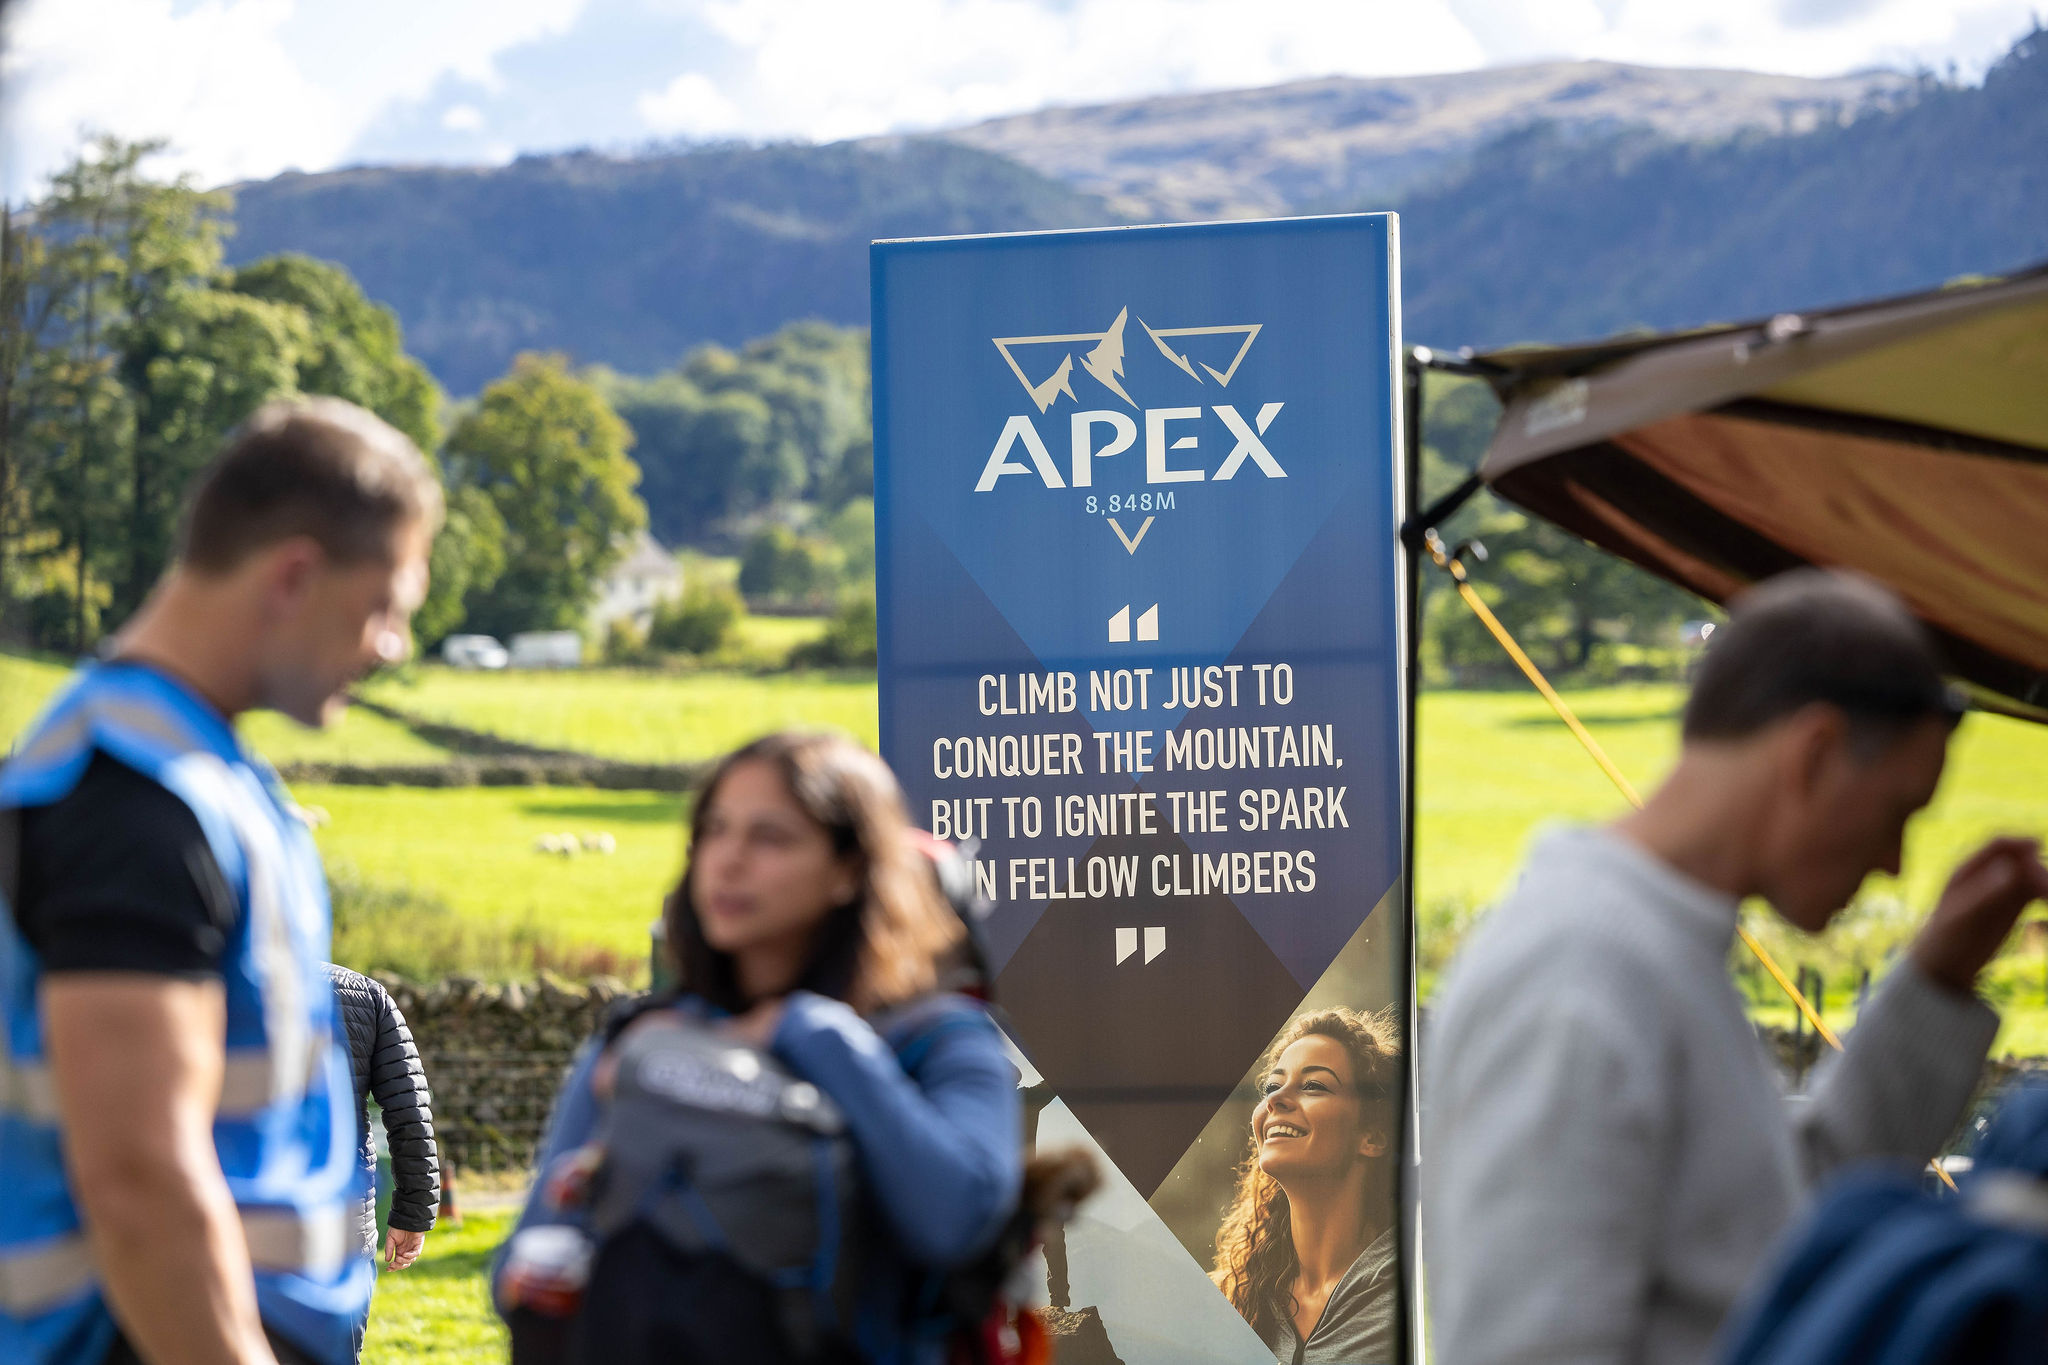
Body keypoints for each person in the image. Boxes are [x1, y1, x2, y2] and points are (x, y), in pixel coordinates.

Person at [1423, 568, 2048, 1365]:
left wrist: (1937, 979)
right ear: (1815, 752)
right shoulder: (1574, 975)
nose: (1895, 863)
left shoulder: (1654, 946)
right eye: (1898, 811)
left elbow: (1778, 1221)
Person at [0, 397, 439, 1365]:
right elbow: (138, 1180)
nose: (388, 648)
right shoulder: (131, 801)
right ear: (292, 575)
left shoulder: (194, 772)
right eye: (385, 607)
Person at [498, 731, 1023, 1363]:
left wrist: (809, 1031)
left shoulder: (939, 1044)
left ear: (851, 868)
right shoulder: (645, 1039)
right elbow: (520, 1271)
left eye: (770, 837)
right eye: (714, 830)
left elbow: (955, 1220)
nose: (728, 860)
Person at [1213, 1008, 1402, 1365]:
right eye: (1272, 1086)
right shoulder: (1240, 1295)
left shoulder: (1411, 1285)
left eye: (1314, 1085)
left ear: (1373, 1136)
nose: (1275, 1099)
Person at [324, 963, 440, 1359]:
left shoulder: (193, 980)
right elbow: (410, 1111)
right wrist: (412, 1213)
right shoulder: (364, 993)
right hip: (342, 1223)